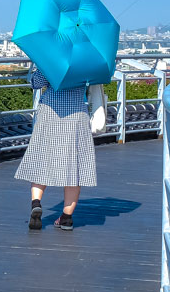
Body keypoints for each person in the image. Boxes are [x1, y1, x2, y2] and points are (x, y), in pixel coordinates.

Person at [16, 68, 106, 231]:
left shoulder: (53, 58)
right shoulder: (85, 61)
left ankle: (36, 203)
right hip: (77, 115)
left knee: (42, 161)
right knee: (74, 168)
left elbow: (36, 83)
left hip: (50, 113)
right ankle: (66, 218)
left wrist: (40, 67)